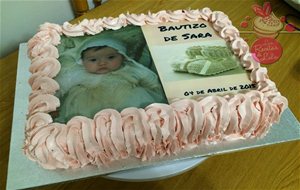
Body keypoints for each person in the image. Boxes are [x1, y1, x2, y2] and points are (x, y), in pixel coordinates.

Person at [55, 38, 167, 123]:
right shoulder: (81, 74)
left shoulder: (129, 69)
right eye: (93, 60)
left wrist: (155, 88)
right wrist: (53, 99)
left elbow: (148, 78)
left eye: (110, 57)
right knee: (85, 119)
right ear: (82, 61)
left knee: (139, 111)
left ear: (122, 57)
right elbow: (62, 84)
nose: (102, 63)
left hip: (129, 100)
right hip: (91, 104)